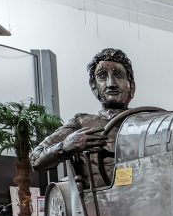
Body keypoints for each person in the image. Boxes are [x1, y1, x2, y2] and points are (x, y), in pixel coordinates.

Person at [31, 48, 136, 186]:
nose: (111, 83)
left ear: (131, 86)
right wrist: (66, 146)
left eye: (118, 75)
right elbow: (35, 158)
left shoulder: (147, 122)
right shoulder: (82, 122)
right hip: (98, 204)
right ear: (94, 86)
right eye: (102, 76)